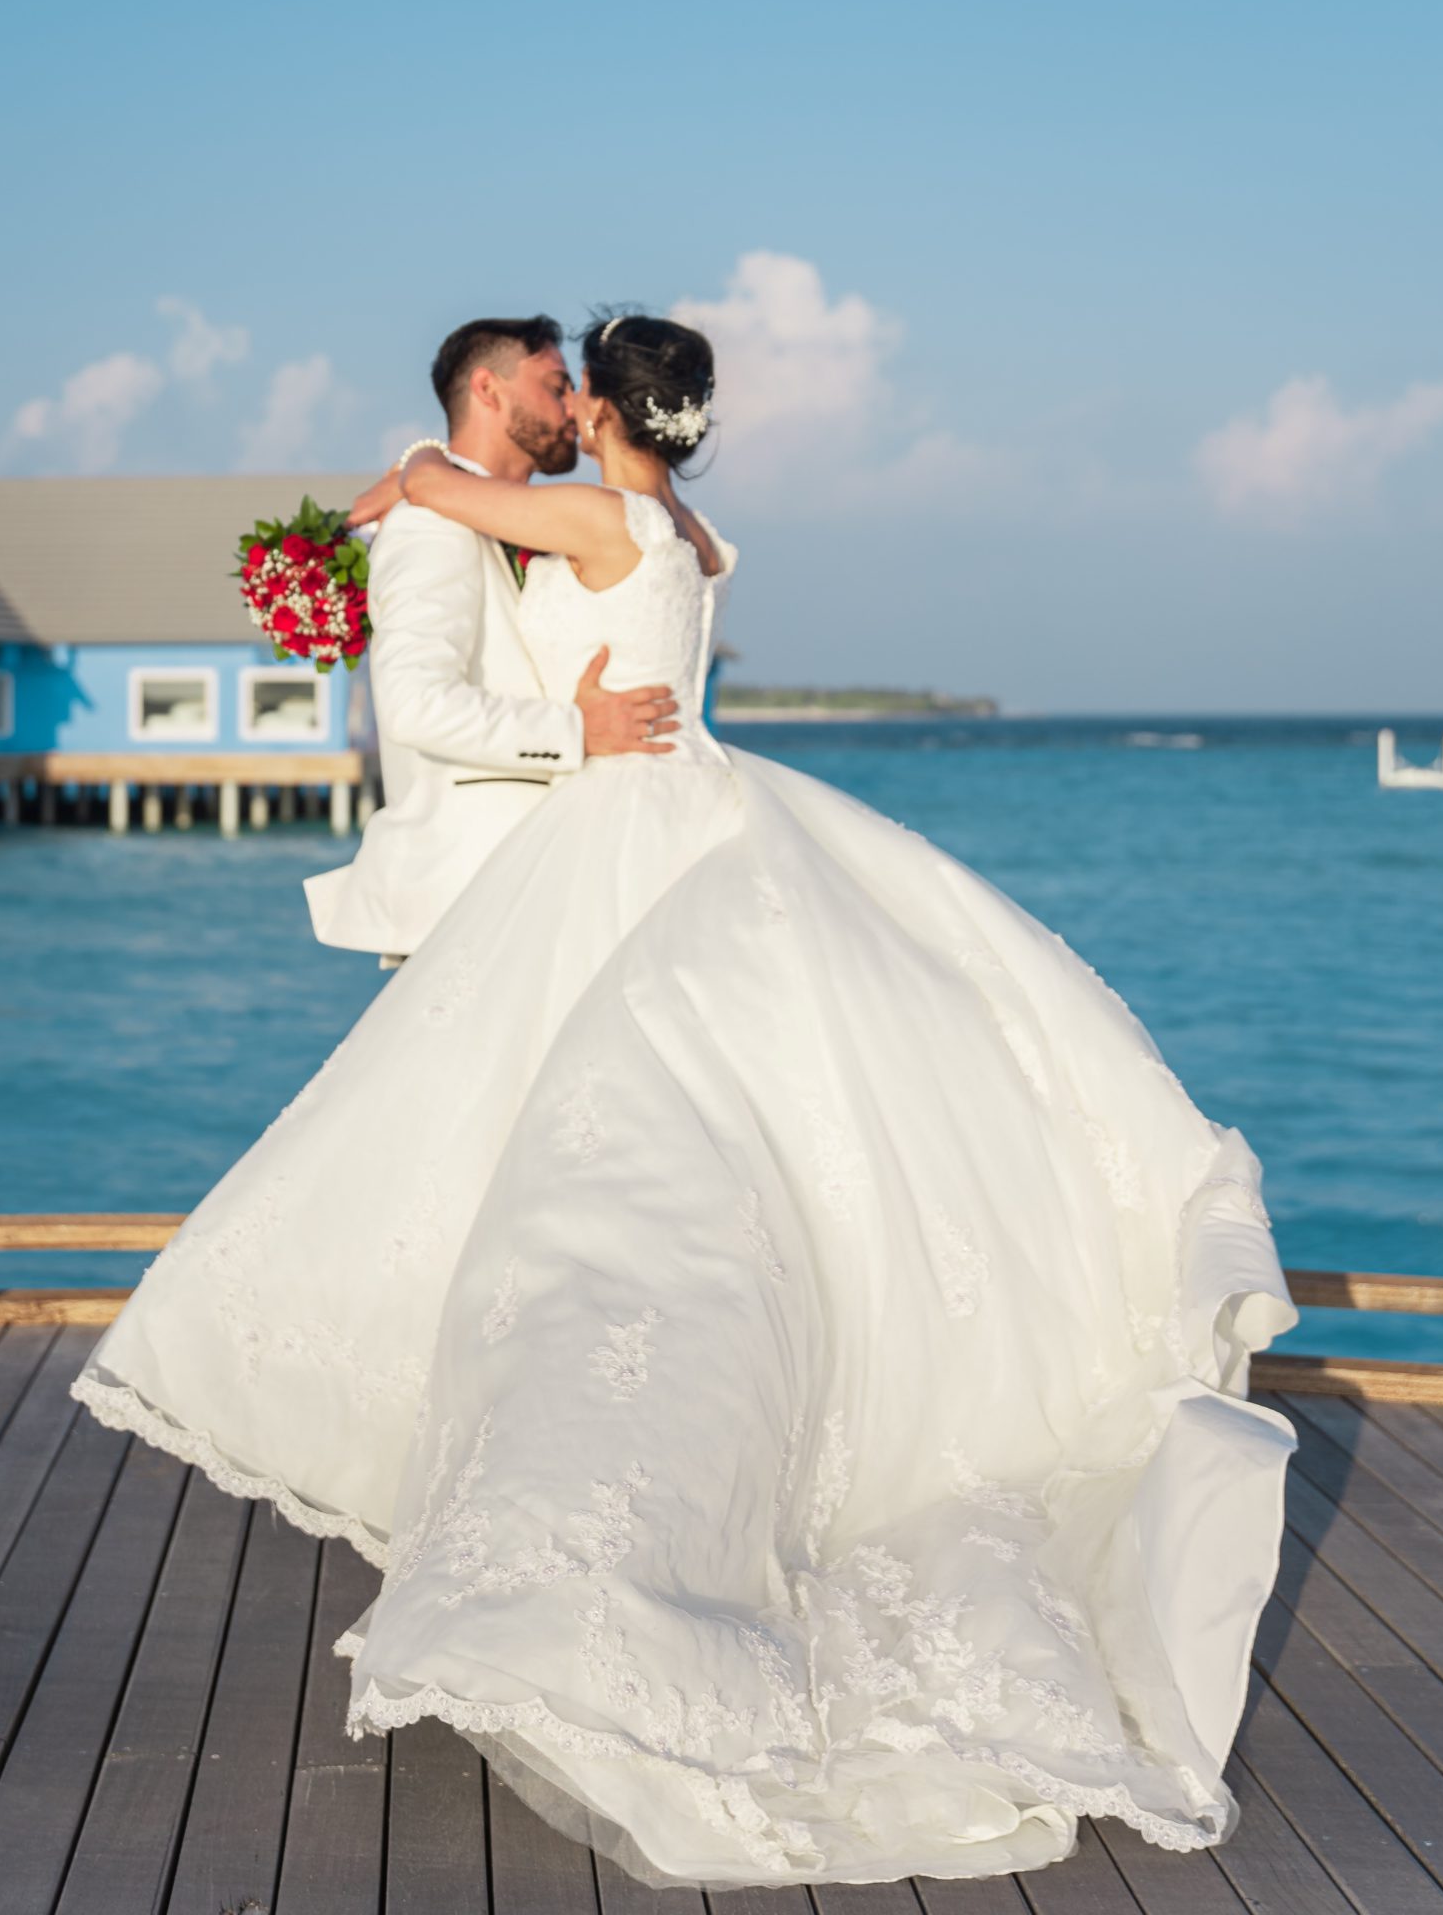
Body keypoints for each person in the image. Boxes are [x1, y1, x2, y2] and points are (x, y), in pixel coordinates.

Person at [74, 309, 1297, 1889]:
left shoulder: (590, 513)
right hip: (702, 813)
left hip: (620, 829)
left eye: (582, 383)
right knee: (682, 1147)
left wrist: (398, 485)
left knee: (586, 1144)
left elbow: (451, 496)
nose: (565, 396)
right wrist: (566, 476)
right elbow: (679, 544)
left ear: (606, 411)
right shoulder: (670, 530)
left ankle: (570, 1478)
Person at [303, 313, 681, 960]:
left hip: (560, 888)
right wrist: (575, 731)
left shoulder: (538, 524)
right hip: (470, 897)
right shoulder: (429, 526)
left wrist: (416, 464)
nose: (575, 407)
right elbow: (415, 705)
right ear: (488, 389)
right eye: (556, 385)